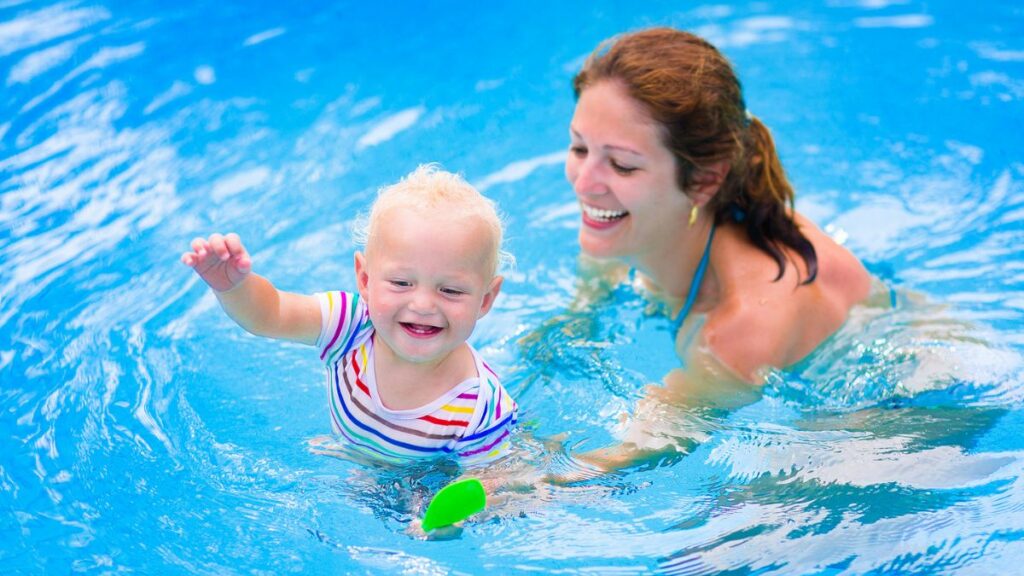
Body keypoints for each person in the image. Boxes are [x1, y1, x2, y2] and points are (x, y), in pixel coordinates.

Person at [558, 27, 873, 471]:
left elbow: (622, 460)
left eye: (622, 165)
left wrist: (508, 485)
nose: (583, 182)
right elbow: (594, 278)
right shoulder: (625, 224)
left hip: (905, 415)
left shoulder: (737, 329)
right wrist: (576, 318)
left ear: (705, 181)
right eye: (578, 147)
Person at [181, 165, 518, 465]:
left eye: (451, 291)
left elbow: (490, 483)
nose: (423, 304)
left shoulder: (481, 406)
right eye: (401, 282)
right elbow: (271, 314)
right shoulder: (351, 325)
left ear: (485, 299)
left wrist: (442, 518)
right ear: (365, 279)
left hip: (423, 485)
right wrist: (234, 288)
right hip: (350, 453)